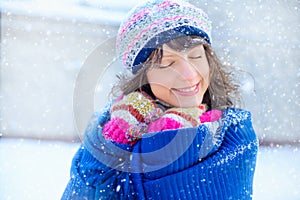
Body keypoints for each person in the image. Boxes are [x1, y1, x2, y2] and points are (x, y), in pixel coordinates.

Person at [62, 0, 258, 199]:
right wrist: (114, 141)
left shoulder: (232, 135)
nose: (189, 75)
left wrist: (171, 139)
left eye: (196, 56)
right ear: (144, 76)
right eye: (168, 63)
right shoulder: (109, 129)